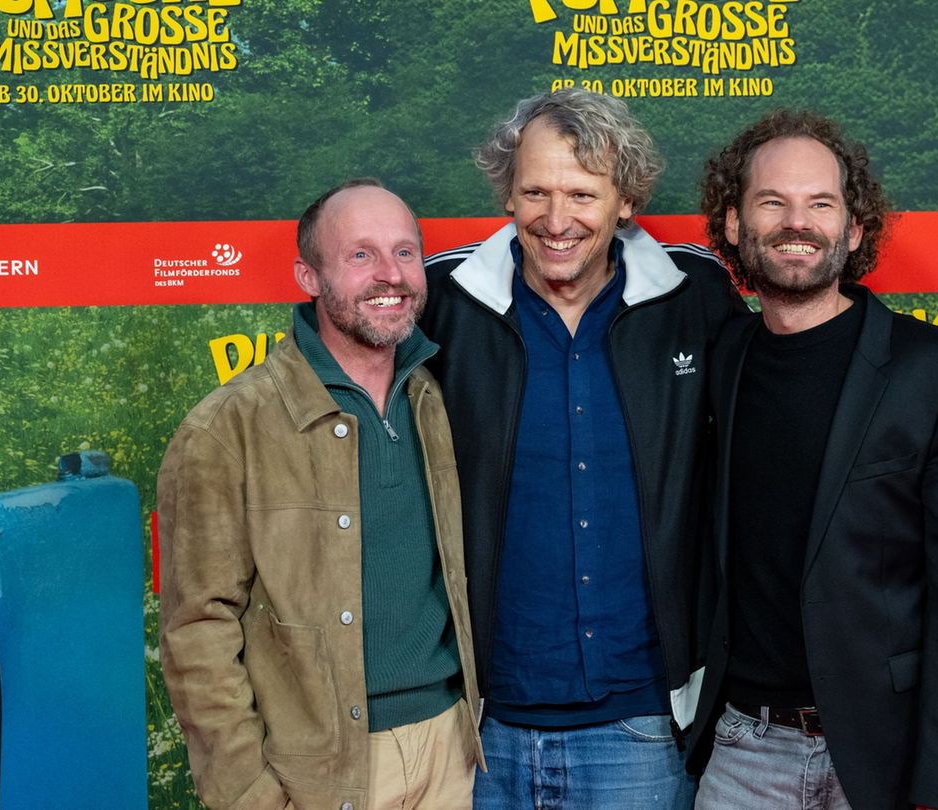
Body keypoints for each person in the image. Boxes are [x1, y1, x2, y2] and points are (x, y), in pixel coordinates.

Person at [420, 88, 749, 809]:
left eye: (581, 193)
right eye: (535, 191)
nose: (557, 219)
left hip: (641, 727)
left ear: (626, 198)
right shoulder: (442, 299)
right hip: (478, 730)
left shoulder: (693, 295)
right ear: (507, 193)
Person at [688, 111, 938, 810]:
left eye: (820, 204)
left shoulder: (935, 371)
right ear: (735, 225)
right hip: (745, 751)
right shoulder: (723, 359)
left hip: (884, 754)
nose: (796, 222)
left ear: (854, 229)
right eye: (772, 202)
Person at [159, 180, 482, 810]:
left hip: (452, 751)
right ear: (308, 275)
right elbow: (197, 633)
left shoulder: (435, 401)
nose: (391, 275)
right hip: (323, 775)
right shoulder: (227, 428)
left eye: (405, 253)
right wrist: (249, 794)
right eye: (361, 255)